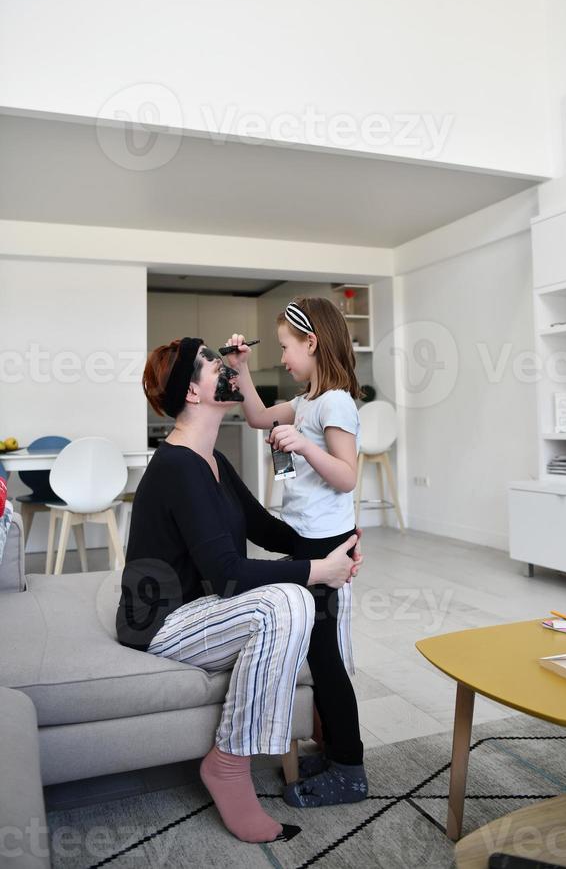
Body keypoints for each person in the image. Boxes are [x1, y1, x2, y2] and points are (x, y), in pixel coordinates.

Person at [115, 337, 362, 844]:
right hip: (161, 624)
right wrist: (316, 570)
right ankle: (228, 765)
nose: (225, 366)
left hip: (201, 609)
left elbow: (265, 529)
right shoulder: (178, 466)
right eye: (211, 363)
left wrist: (337, 551)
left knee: (300, 593)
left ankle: (269, 754)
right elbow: (227, 574)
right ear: (192, 391)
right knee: (290, 598)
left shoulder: (211, 460)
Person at [223, 296, 367, 809]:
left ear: (312, 342)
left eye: (286, 346)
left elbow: (347, 475)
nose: (282, 357)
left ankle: (350, 768)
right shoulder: (307, 399)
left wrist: (306, 448)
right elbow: (260, 416)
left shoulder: (336, 403)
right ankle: (333, 753)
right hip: (306, 536)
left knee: (326, 658)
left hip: (324, 542)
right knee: (313, 649)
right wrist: (239, 370)